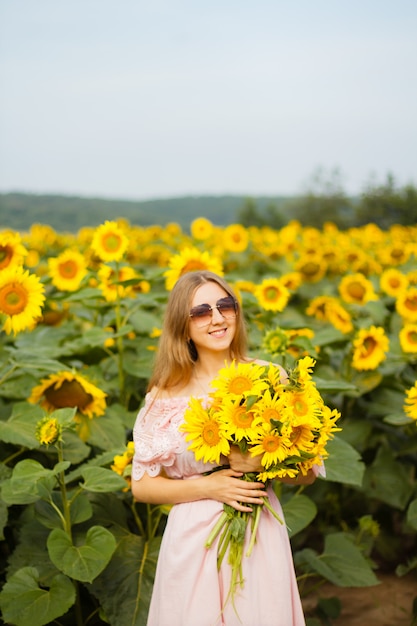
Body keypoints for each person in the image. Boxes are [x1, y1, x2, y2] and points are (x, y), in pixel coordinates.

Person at [131, 270, 316, 626]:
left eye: (224, 306)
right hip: (190, 543)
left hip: (256, 533)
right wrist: (209, 487)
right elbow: (142, 485)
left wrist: (263, 460)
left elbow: (307, 473)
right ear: (182, 327)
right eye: (201, 312)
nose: (217, 318)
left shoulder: (270, 378)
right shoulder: (164, 394)